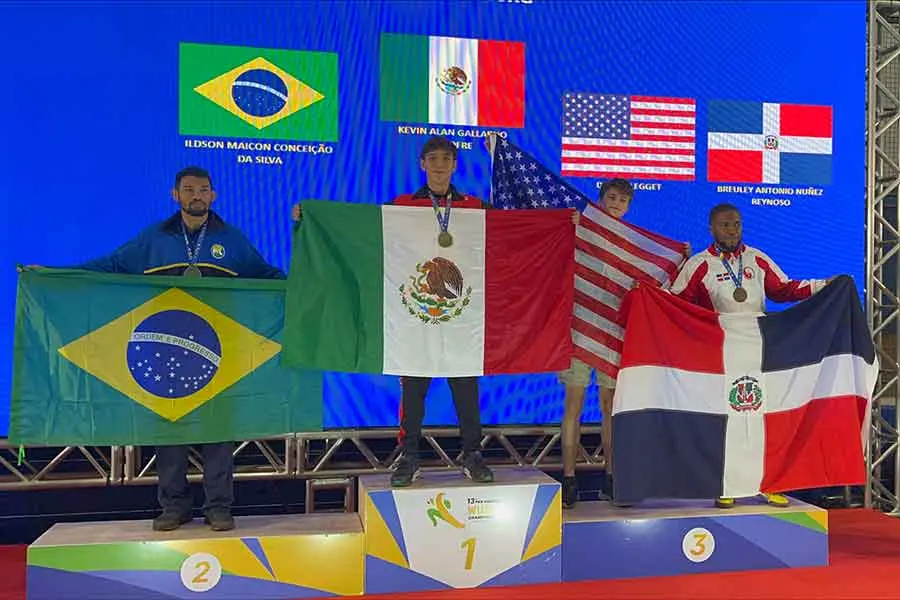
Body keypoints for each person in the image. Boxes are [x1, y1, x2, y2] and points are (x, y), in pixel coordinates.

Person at [31, 166, 284, 531]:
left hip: (220, 351)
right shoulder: (155, 239)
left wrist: (305, 282)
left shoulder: (233, 240)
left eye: (203, 189)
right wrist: (56, 275)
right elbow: (111, 266)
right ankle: (174, 506)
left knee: (218, 431)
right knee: (170, 432)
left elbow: (266, 276)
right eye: (189, 189)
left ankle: (218, 507)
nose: (196, 195)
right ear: (175, 195)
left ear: (214, 196)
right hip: (167, 349)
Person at [291, 137, 493, 487]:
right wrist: (311, 219)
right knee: (412, 390)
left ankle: (472, 452)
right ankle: (409, 455)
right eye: (433, 158)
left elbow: (516, 233)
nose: (440, 164)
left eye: (447, 158)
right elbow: (360, 231)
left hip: (462, 316)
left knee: (466, 386)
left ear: (456, 164)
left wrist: (556, 224)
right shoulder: (401, 206)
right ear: (422, 164)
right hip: (414, 312)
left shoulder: (476, 207)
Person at [670, 202, 835, 509]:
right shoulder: (699, 264)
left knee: (764, 420)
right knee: (726, 421)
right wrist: (647, 296)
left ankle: (770, 484)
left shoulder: (756, 259)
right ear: (712, 228)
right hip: (719, 355)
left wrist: (824, 285)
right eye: (724, 225)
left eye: (736, 224)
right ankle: (725, 484)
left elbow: (784, 289)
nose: (732, 230)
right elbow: (674, 301)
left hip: (760, 352)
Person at [559, 179, 689, 509]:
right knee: (572, 405)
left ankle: (611, 476)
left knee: (610, 409)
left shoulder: (637, 245)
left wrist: (678, 258)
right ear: (601, 200)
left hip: (614, 334)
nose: (617, 203)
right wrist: (570, 227)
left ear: (629, 206)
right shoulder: (582, 228)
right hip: (578, 328)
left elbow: (658, 279)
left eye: (623, 199)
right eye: (611, 197)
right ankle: (569, 477)